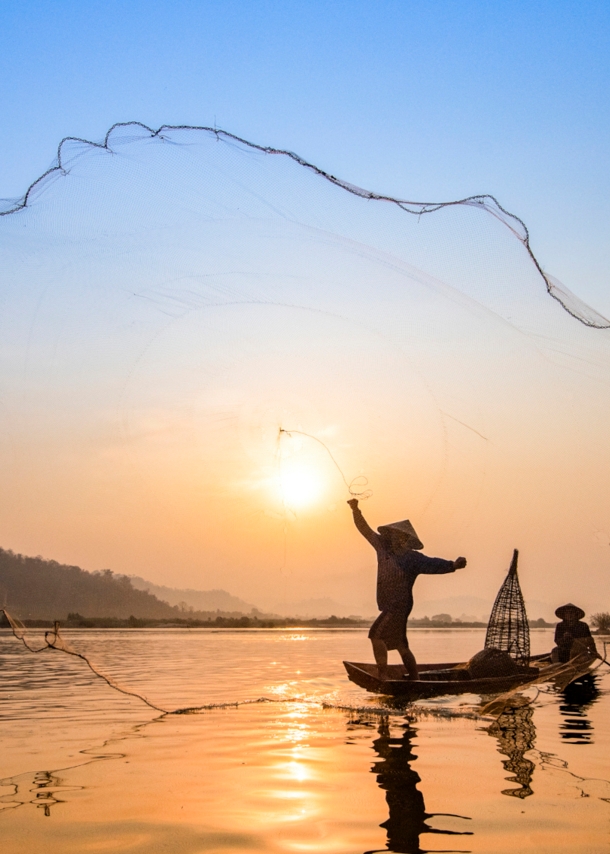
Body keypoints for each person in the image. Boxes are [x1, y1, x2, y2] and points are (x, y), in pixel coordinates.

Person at [348, 498, 466, 680]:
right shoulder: (382, 548)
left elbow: (433, 564)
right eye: (393, 535)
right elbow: (365, 529)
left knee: (376, 634)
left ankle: (383, 674)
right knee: (401, 645)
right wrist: (355, 509)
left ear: (404, 539)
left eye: (398, 536)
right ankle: (415, 678)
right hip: (390, 605)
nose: (394, 538)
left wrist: (453, 565)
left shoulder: (412, 559)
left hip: (399, 605)